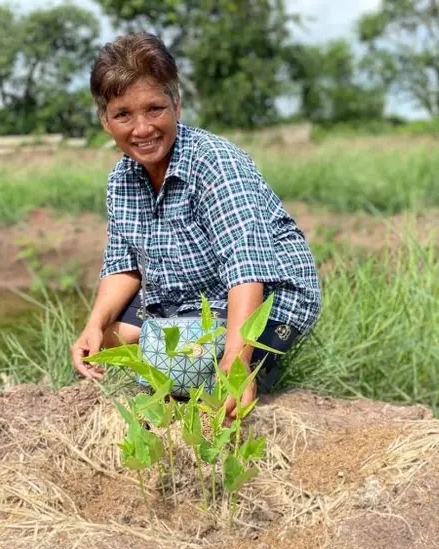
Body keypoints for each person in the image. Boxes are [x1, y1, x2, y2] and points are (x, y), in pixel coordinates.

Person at [71, 32, 322, 421]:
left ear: (177, 105)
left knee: (184, 369)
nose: (141, 129)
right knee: (100, 344)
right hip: (187, 294)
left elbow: (246, 269)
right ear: (105, 120)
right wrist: (94, 323)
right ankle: (168, 337)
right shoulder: (121, 180)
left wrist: (238, 363)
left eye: (154, 109)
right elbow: (124, 267)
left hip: (267, 296)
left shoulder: (215, 163)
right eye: (123, 115)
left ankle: (201, 348)